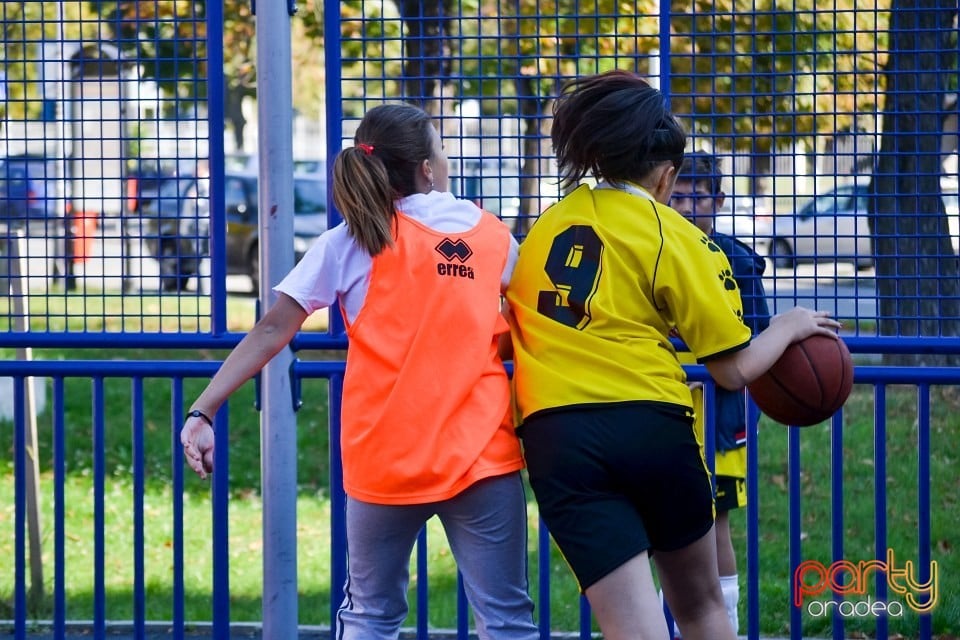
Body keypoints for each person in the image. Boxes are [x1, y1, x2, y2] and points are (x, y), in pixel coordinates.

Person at [181, 103, 539, 640]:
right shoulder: (490, 238)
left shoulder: (351, 241)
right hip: (480, 456)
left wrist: (203, 408)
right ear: (425, 167)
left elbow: (272, 331)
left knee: (371, 616)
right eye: (439, 148)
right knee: (507, 619)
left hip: (384, 459)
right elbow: (531, 327)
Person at [504, 70, 840, 640]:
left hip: (555, 435)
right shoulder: (676, 236)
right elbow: (732, 367)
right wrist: (785, 327)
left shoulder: (544, 230)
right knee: (702, 607)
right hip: (648, 423)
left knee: (631, 627)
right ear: (665, 175)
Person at [668, 150, 772, 636]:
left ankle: (725, 618)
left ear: (720, 201)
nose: (689, 207)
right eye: (681, 196)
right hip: (666, 408)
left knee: (716, 522)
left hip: (721, 412)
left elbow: (758, 338)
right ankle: (668, 618)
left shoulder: (737, 261)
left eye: (699, 198)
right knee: (666, 526)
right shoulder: (660, 247)